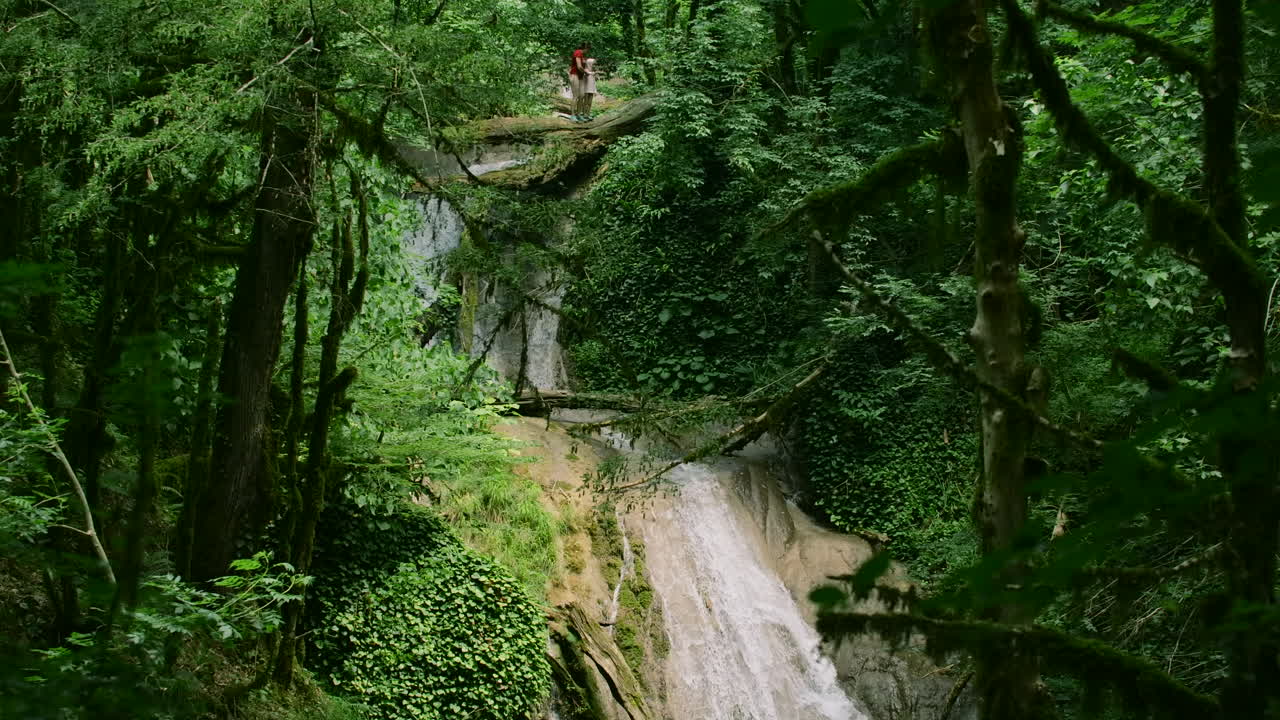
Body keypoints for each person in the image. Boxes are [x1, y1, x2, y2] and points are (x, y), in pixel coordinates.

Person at [569, 42, 590, 121]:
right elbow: (579, 66)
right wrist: (586, 72)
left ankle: (578, 114)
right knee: (575, 96)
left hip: (581, 76)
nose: (588, 51)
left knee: (582, 95)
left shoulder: (583, 55)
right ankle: (573, 115)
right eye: (588, 49)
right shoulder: (578, 52)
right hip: (574, 75)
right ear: (585, 48)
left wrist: (585, 72)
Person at [582, 56, 598, 121]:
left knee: (590, 103)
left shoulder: (593, 72)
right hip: (586, 89)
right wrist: (592, 73)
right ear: (589, 63)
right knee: (585, 102)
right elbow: (587, 74)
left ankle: (588, 114)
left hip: (591, 89)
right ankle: (584, 114)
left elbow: (594, 82)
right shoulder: (586, 71)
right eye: (593, 64)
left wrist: (595, 90)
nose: (594, 65)